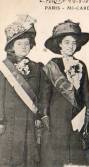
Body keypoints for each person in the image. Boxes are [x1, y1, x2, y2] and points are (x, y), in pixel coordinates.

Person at [39, 20, 89, 167]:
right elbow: (45, 95)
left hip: (77, 117)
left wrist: (88, 116)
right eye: (67, 42)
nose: (71, 46)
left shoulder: (81, 65)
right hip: (57, 116)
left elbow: (86, 93)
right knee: (58, 156)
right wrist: (45, 116)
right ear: (59, 44)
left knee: (76, 158)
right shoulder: (51, 66)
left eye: (73, 43)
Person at [0, 15, 44, 167]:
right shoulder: (3, 69)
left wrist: (40, 116)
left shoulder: (37, 68)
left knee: (29, 157)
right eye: (19, 44)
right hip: (9, 122)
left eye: (27, 44)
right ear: (11, 46)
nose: (24, 47)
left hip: (30, 120)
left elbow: (41, 95)